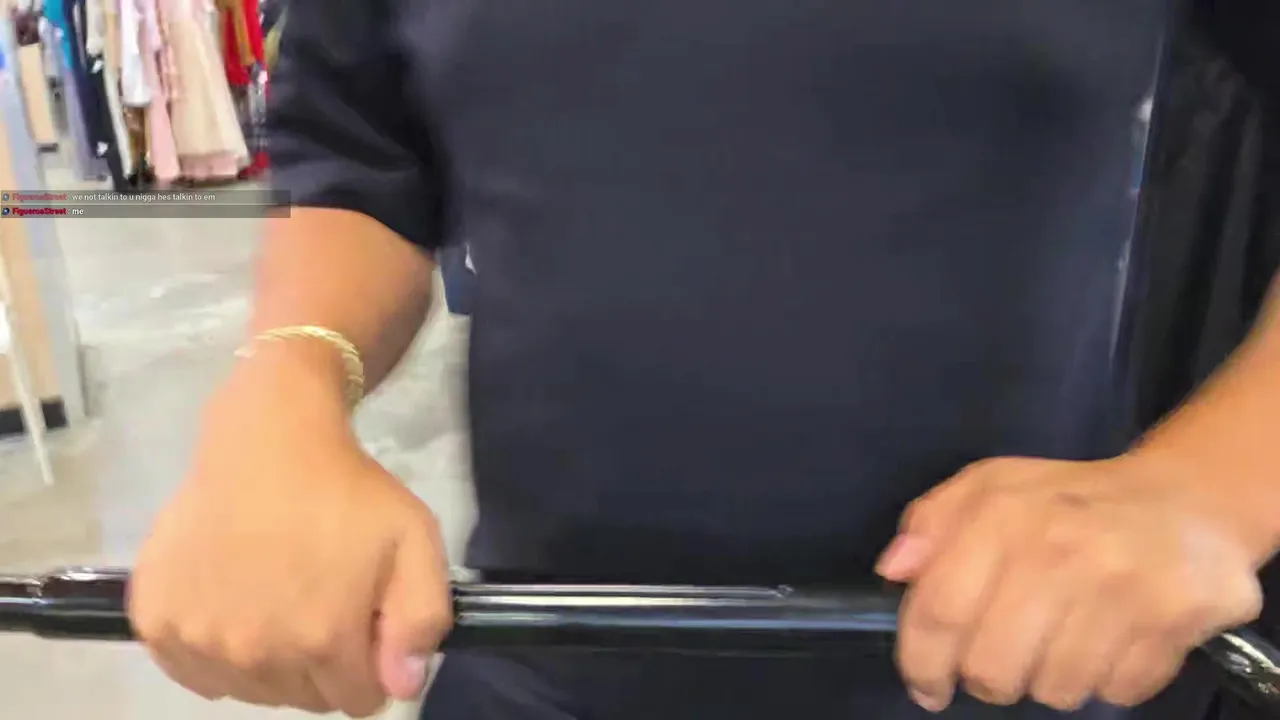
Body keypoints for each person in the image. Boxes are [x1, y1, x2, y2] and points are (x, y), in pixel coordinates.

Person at [125, 1, 1280, 719]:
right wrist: (283, 390)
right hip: (543, 658)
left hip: (1002, 664)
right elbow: (356, 154)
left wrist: (1205, 489)